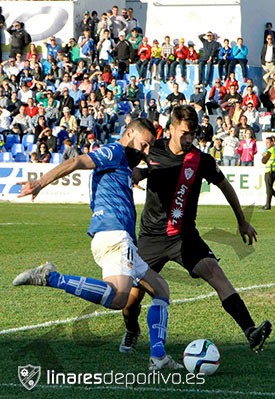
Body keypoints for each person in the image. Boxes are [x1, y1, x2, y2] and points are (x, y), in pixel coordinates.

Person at [13, 118, 183, 370]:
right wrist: (40, 182)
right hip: (114, 234)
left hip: (120, 238)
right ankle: (51, 278)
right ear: (128, 134)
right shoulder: (114, 151)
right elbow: (77, 161)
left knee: (160, 289)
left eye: (149, 148)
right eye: (144, 145)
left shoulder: (123, 163)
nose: (146, 152)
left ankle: (158, 357)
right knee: (118, 298)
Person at [120, 106, 271, 354]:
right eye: (184, 133)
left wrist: (242, 221)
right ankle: (132, 330)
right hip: (151, 239)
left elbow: (226, 187)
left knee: (215, 273)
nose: (189, 139)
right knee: (131, 300)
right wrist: (140, 172)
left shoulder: (200, 160)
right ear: (170, 129)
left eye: (193, 133)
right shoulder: (153, 150)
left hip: (184, 237)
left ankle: (250, 331)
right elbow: (142, 167)